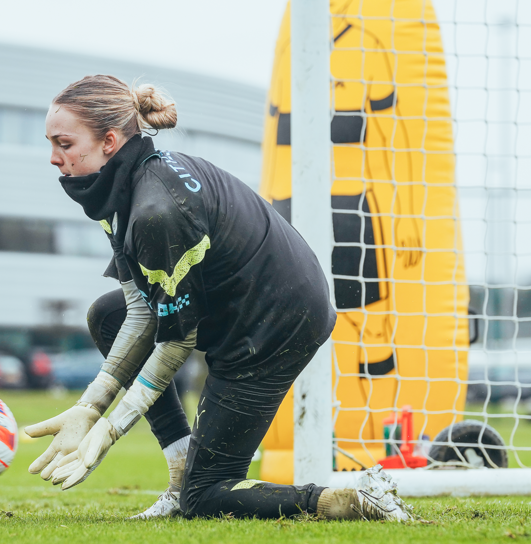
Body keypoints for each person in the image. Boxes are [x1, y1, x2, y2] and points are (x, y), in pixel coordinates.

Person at [24, 74, 412, 522]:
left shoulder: (155, 211)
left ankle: (345, 501)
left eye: (64, 143)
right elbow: (137, 312)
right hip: (241, 303)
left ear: (109, 141)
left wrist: (111, 427)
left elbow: (175, 342)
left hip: (275, 322)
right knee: (106, 315)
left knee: (205, 497)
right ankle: (180, 468)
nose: (54, 158)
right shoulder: (122, 185)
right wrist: (89, 406)